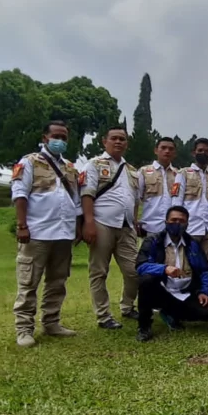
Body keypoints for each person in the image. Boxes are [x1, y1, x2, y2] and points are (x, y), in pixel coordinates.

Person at [10, 120, 81, 347]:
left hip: (63, 233)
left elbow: (76, 202)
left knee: (57, 281)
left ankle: (51, 322)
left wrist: (78, 228)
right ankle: (24, 329)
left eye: (64, 138)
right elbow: (20, 194)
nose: (60, 141)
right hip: (37, 232)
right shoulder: (29, 162)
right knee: (28, 281)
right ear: (45, 138)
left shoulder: (70, 168)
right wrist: (22, 226)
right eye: (56, 136)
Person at [80, 126, 139, 329]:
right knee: (99, 272)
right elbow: (87, 194)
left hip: (126, 226)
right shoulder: (94, 164)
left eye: (122, 139)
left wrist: (136, 221)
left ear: (127, 143)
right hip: (101, 223)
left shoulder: (132, 170)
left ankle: (127, 306)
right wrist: (88, 223)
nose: (118, 142)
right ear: (104, 141)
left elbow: (135, 200)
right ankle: (104, 315)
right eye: (114, 138)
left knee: (134, 271)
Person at [134, 206, 208, 342]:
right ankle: (144, 326)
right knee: (146, 280)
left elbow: (204, 271)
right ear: (166, 222)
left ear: (187, 224)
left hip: (186, 291)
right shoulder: (153, 241)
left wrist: (203, 292)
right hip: (162, 289)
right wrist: (164, 269)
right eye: (173, 220)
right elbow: (141, 266)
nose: (177, 223)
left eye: (182, 221)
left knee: (207, 314)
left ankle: (170, 312)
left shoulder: (193, 243)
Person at [171, 138, 208, 267]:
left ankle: (203, 287)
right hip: (190, 228)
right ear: (193, 153)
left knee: (206, 266)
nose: (203, 153)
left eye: (206, 151)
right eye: (200, 150)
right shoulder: (183, 174)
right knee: (187, 265)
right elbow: (176, 201)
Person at [137, 137, 178, 237]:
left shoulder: (178, 174)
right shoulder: (144, 172)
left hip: (173, 228)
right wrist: (134, 222)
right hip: (150, 227)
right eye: (163, 148)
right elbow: (135, 199)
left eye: (170, 149)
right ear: (156, 150)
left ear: (175, 153)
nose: (167, 151)